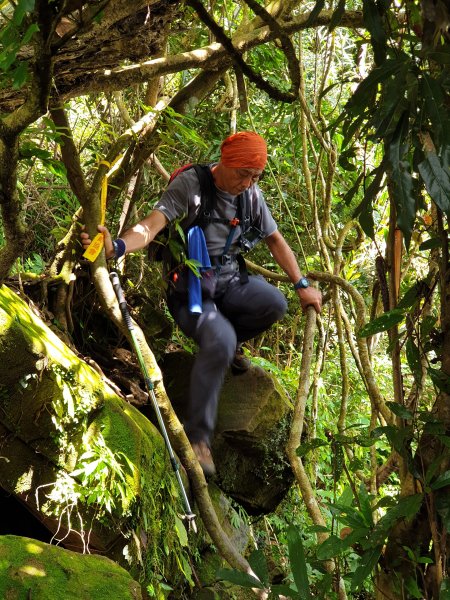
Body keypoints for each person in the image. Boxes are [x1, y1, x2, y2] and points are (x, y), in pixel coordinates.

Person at [81, 131, 322, 477]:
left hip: (228, 283)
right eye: (243, 173)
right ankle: (197, 439)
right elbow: (151, 225)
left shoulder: (250, 195)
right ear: (225, 161)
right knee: (219, 340)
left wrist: (301, 285)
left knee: (273, 303)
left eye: (255, 176)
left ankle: (225, 346)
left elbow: (275, 239)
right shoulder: (192, 186)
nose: (248, 182)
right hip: (190, 294)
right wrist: (116, 247)